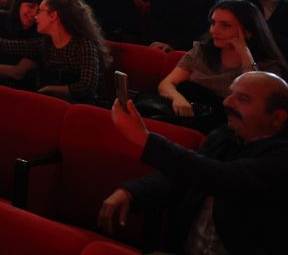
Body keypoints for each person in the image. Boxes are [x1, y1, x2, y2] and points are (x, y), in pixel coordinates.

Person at [99, 72, 288, 255]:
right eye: (230, 93)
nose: (226, 102)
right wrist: (132, 191)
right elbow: (184, 175)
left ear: (277, 118)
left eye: (243, 99)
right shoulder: (225, 136)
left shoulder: (281, 156)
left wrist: (145, 139)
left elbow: (221, 177)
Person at [151, 0, 286, 133]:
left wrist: (245, 54)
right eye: (213, 23)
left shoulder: (268, 69)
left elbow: (253, 106)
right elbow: (166, 83)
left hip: (223, 129)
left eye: (225, 25)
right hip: (183, 114)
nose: (214, 30)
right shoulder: (202, 52)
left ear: (248, 31)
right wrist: (177, 98)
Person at [0, 0, 110, 102]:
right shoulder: (45, 43)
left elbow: (88, 86)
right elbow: (5, 45)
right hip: (50, 101)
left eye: (41, 11)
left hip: (77, 107)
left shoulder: (84, 44)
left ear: (53, 15)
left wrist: (51, 90)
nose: (36, 16)